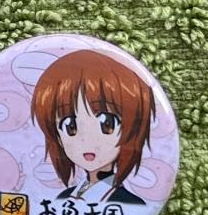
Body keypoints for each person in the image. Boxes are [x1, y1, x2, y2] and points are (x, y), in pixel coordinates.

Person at [30, 50, 154, 205]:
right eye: (70, 126)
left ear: (131, 128)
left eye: (106, 124)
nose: (86, 140)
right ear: (57, 136)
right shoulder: (64, 198)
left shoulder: (129, 204)